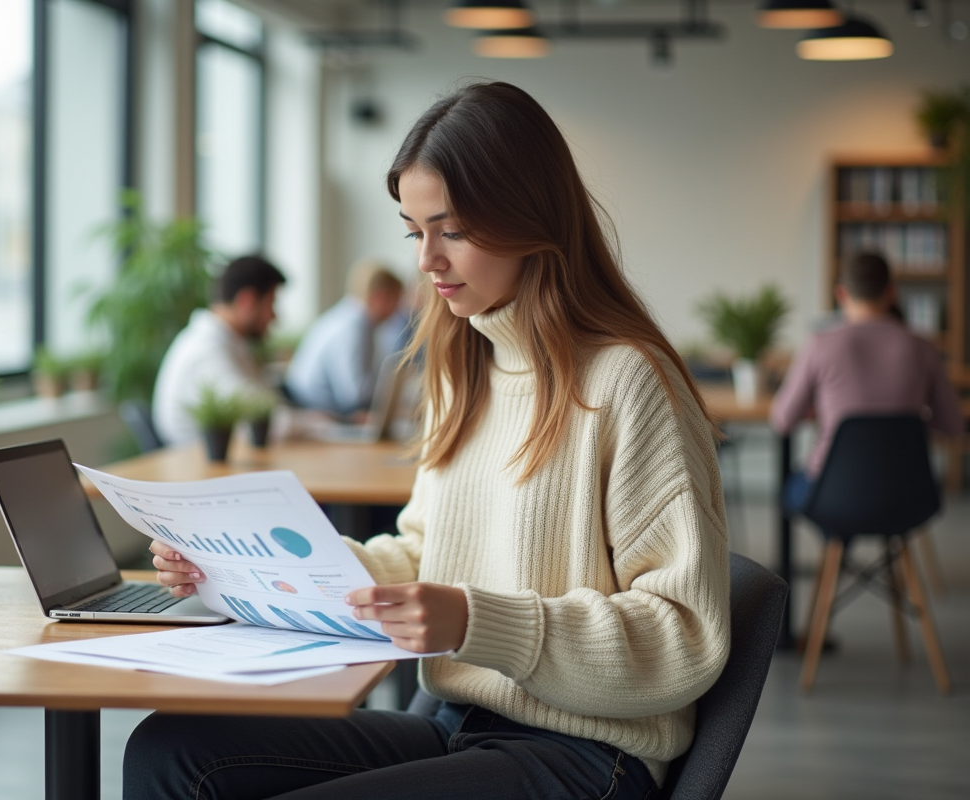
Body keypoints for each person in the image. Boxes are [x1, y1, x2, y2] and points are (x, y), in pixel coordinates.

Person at [127, 82, 730, 800]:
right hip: (457, 719)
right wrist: (246, 568)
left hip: (589, 754)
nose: (427, 261)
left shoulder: (630, 381)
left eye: (453, 231)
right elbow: (422, 554)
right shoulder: (463, 369)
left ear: (531, 218)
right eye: (415, 233)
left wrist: (478, 621)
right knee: (169, 749)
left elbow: (684, 636)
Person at [772, 250, 963, 509]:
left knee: (797, 486)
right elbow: (953, 425)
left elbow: (782, 420)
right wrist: (913, 422)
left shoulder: (819, 344)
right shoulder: (924, 347)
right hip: (908, 492)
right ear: (891, 292)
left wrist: (820, 410)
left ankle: (839, 534)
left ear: (841, 293)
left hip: (833, 493)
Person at [151, 255, 286, 447]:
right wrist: (317, 424)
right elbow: (263, 419)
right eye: (271, 304)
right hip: (195, 460)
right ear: (247, 301)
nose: (274, 317)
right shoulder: (206, 349)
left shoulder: (232, 343)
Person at [285, 260, 405, 417]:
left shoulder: (347, 317)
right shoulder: (353, 327)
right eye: (397, 300)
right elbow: (355, 396)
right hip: (312, 412)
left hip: (317, 409)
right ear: (381, 297)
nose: (398, 310)